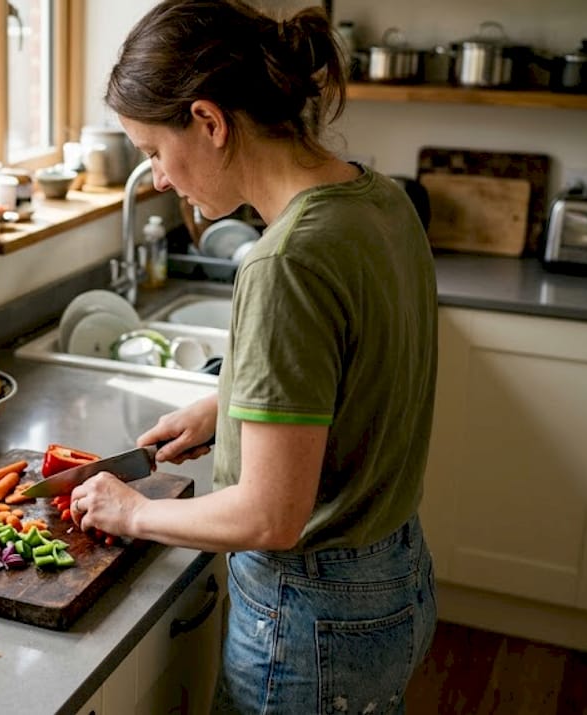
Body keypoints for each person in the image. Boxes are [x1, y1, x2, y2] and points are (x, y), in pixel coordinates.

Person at [68, 2, 438, 712]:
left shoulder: (284, 262)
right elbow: (361, 371)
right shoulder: (380, 200)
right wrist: (225, 407)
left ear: (209, 122)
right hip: (395, 579)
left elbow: (271, 516)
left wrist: (131, 513)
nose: (159, 180)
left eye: (152, 152)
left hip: (312, 619)